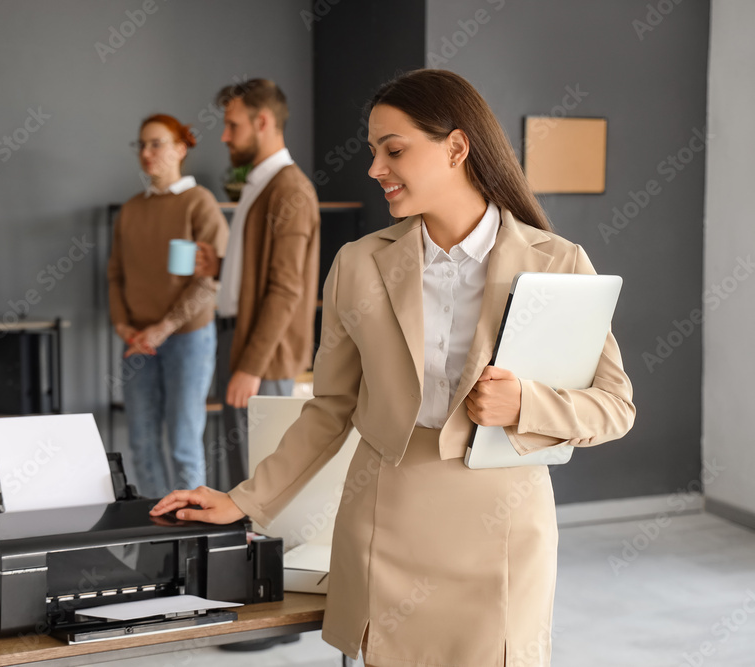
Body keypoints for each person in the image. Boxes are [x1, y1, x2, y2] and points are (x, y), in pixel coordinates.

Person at [151, 69, 635, 666]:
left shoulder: (557, 263)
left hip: (502, 535)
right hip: (387, 528)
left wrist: (526, 406)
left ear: (456, 148)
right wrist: (245, 501)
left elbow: (615, 407)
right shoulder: (358, 265)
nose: (376, 168)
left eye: (395, 150)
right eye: (373, 151)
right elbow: (330, 409)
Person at [193, 78, 320, 488]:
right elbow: (265, 270)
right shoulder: (261, 183)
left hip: (261, 356)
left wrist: (251, 365)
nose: (225, 136)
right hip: (243, 343)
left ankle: (268, 555)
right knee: (244, 480)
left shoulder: (289, 189)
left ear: (263, 121)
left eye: (233, 126)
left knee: (261, 484)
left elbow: (287, 289)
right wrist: (222, 266)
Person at [108, 114, 229, 499]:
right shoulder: (130, 211)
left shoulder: (200, 203)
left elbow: (209, 280)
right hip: (137, 342)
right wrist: (124, 327)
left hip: (187, 339)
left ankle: (191, 541)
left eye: (156, 143)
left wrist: (165, 327)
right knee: (142, 445)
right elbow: (115, 276)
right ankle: (157, 536)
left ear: (180, 149)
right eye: (141, 145)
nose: (146, 153)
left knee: (183, 444)